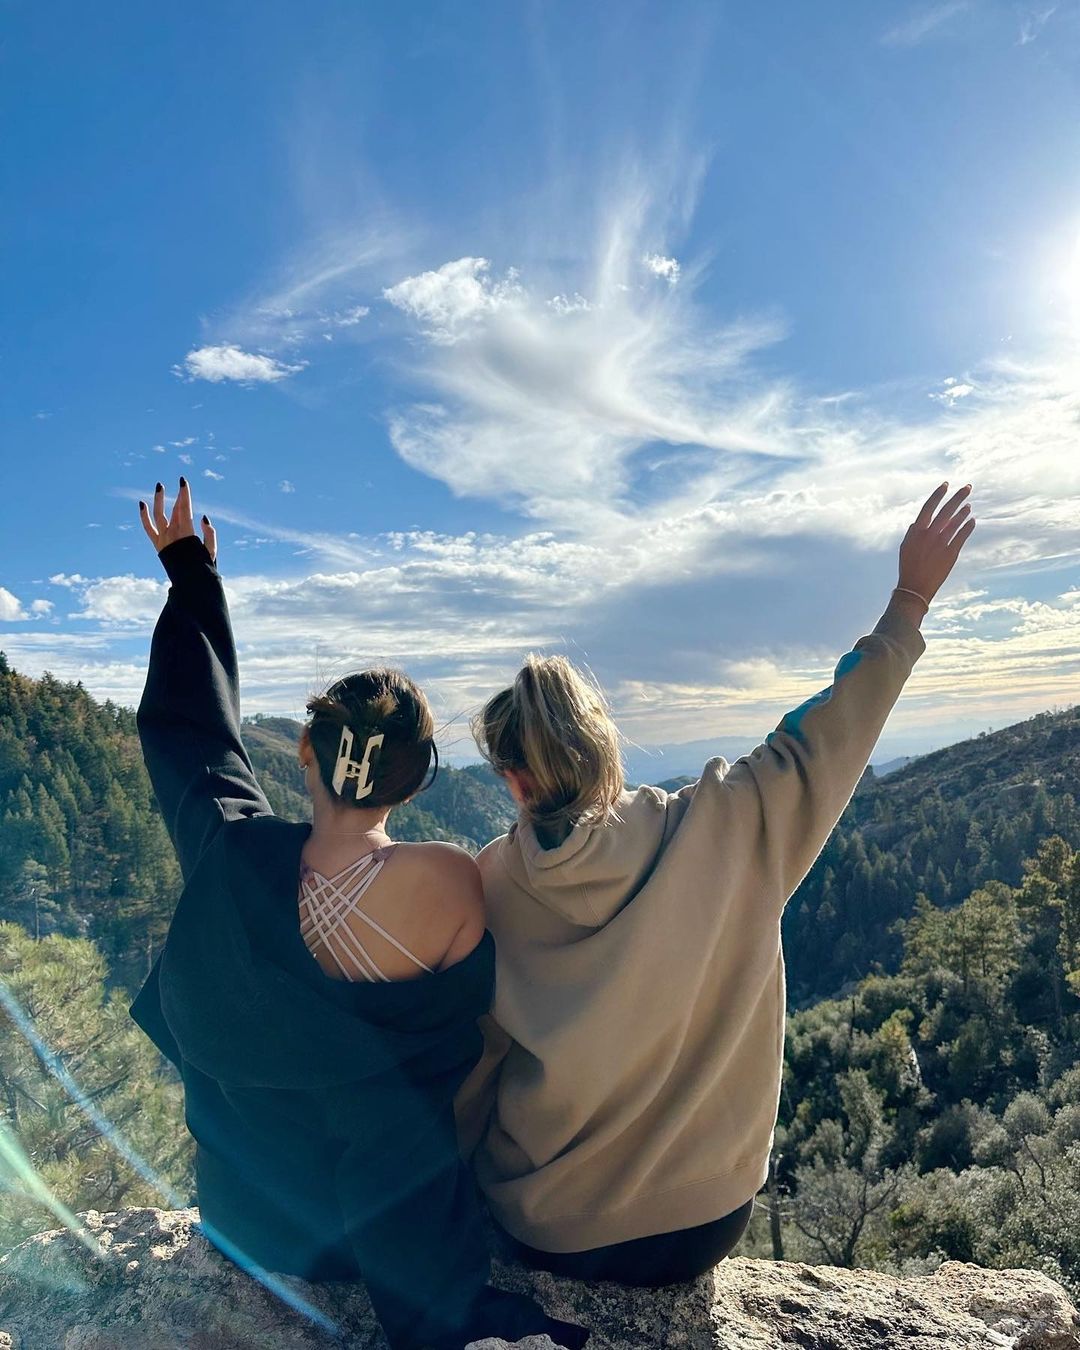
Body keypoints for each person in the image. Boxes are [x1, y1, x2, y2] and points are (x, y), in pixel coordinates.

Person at [456, 481, 976, 1286]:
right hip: (706, 1219)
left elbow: (473, 1060)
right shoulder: (729, 821)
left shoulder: (486, 884)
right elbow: (826, 736)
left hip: (551, 1227)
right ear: (604, 749)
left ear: (515, 782)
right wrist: (909, 600)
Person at [128, 479, 588, 1350]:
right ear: (416, 782)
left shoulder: (233, 858)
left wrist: (192, 578)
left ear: (304, 749)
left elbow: (193, 737)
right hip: (391, 1239)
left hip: (253, 1223)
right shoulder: (449, 880)